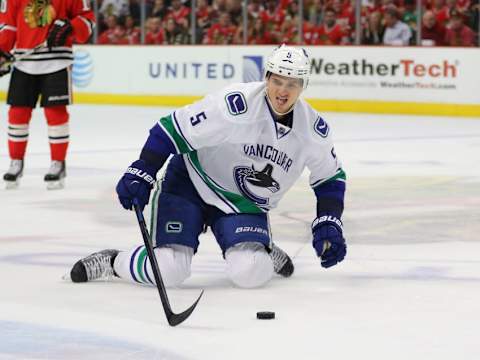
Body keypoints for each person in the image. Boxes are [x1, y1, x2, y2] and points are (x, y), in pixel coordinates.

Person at [68, 45, 347, 289]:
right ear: (266, 78)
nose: (283, 91)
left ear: (303, 86)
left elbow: (330, 177)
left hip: (242, 203)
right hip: (190, 182)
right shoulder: (234, 105)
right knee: (169, 269)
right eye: (278, 81)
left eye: (292, 83)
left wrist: (329, 220)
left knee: (251, 272)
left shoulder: (313, 129)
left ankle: (262, 249)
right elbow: (170, 129)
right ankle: (114, 262)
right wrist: (143, 168)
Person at [0, 0, 95, 189]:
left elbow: (87, 20)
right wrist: (1, 51)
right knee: (17, 113)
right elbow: (8, 25)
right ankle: (16, 161)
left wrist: (70, 26)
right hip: (24, 61)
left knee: (55, 113)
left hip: (57, 61)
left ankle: (58, 163)